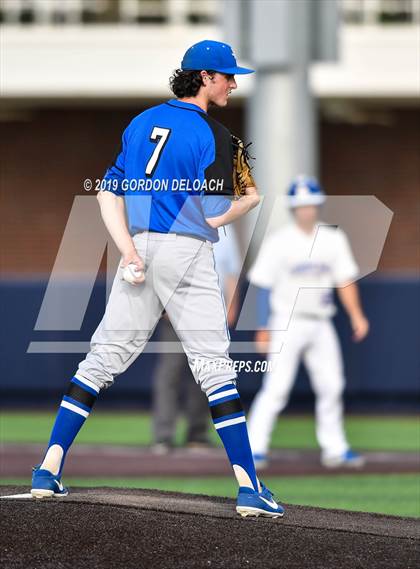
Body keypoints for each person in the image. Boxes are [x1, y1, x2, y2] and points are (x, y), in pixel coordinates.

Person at [31, 40, 284, 518]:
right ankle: (250, 487)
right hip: (186, 252)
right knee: (214, 368)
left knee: (100, 361)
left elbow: (107, 195)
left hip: (139, 247)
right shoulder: (216, 134)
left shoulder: (140, 123)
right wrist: (247, 203)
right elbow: (211, 215)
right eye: (227, 75)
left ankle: (48, 468)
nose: (233, 83)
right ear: (204, 77)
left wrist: (127, 251)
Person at [247, 175, 369, 469]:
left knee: (332, 385)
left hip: (321, 322)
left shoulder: (333, 239)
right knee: (276, 388)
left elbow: (345, 280)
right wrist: (262, 328)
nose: (307, 210)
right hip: (285, 321)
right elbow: (261, 285)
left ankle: (335, 448)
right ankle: (253, 447)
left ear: (318, 205)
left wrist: (356, 315)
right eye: (301, 206)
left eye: (311, 204)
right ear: (292, 208)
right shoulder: (279, 241)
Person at [152, 224, 241, 453]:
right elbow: (162, 270)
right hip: (176, 312)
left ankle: (197, 435)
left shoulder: (225, 231)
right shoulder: (177, 222)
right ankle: (163, 436)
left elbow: (231, 274)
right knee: (169, 373)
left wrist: (229, 310)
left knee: (204, 375)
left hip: (207, 314)